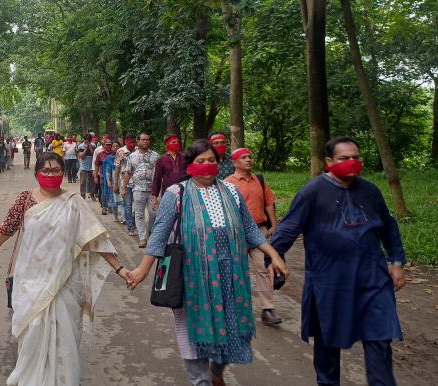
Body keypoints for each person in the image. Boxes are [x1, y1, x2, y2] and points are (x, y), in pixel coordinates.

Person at [126, 140, 289, 386]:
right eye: (200, 161)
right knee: (192, 334)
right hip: (192, 278)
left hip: (230, 275)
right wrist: (142, 269)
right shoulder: (176, 194)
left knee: (231, 328)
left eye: (211, 161)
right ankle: (200, 380)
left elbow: (249, 230)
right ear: (189, 165)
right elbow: (159, 236)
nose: (206, 165)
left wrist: (273, 254)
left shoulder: (232, 192)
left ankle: (217, 372)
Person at [0, 153, 128, 386]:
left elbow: (94, 240)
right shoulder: (25, 200)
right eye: (46, 170)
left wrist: (121, 269)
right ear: (37, 174)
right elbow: (4, 231)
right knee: (33, 333)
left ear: (63, 174)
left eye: (56, 170)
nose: (51, 174)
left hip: (64, 282)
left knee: (64, 339)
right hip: (30, 281)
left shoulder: (74, 202)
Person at [269, 137, 406, 386]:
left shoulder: (370, 190)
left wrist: (396, 261)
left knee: (379, 337)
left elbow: (388, 226)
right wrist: (275, 259)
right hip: (329, 281)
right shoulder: (311, 192)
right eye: (345, 158)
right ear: (329, 161)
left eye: (356, 157)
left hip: (372, 279)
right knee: (328, 340)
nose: (352, 162)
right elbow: (288, 229)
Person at [223, 147, 281, 326]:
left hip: (259, 231)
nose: (248, 160)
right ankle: (232, 308)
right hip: (236, 233)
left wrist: (274, 224)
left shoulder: (259, 180)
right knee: (235, 270)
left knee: (263, 268)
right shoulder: (227, 183)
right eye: (243, 157)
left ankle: (268, 309)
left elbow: (269, 202)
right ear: (234, 162)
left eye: (249, 157)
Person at [122, 132, 160, 248]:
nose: (145, 141)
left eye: (147, 140)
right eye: (143, 140)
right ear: (138, 141)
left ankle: (151, 232)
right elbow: (128, 172)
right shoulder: (132, 156)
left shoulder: (155, 155)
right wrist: (123, 188)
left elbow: (160, 173)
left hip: (153, 190)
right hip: (138, 189)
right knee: (139, 214)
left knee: (154, 213)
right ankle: (142, 238)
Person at [152, 135, 188, 210]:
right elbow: (157, 179)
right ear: (167, 144)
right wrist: (155, 197)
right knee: (169, 215)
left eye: (178, 142)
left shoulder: (185, 157)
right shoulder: (161, 160)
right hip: (168, 193)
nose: (177, 143)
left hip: (184, 192)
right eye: (174, 142)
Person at [115, 136, 136, 235]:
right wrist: (116, 184)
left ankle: (135, 224)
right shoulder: (120, 151)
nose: (132, 144)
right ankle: (130, 227)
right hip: (125, 181)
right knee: (128, 205)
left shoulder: (137, 150)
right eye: (129, 142)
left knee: (137, 206)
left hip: (137, 182)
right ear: (125, 142)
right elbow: (117, 168)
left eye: (133, 142)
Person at [100, 141, 119, 221]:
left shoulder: (124, 157)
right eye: (114, 146)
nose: (115, 148)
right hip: (111, 180)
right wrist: (108, 181)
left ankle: (123, 216)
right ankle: (111, 212)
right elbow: (107, 171)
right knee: (111, 196)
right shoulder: (108, 158)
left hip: (121, 179)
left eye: (117, 146)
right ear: (112, 148)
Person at [77, 133, 96, 200]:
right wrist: (86, 149)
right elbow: (81, 156)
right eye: (85, 140)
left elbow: (95, 155)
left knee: (92, 182)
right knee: (82, 182)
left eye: (88, 140)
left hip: (92, 167)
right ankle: (82, 195)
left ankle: (92, 194)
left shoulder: (93, 145)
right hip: (83, 167)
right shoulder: (80, 146)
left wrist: (90, 148)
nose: (86, 141)